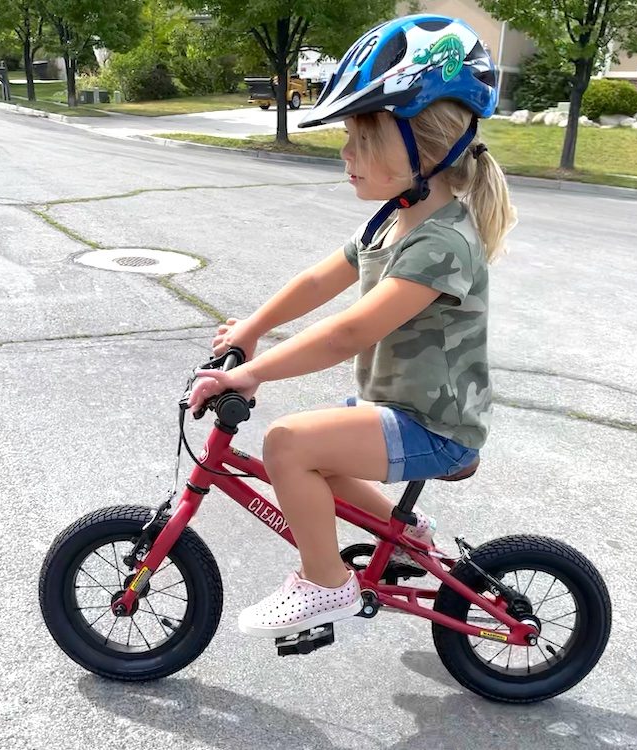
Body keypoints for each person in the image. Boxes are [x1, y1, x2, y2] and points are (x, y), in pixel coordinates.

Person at [187, 14, 517, 639]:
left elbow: (349, 333)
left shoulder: (442, 243)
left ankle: (325, 586)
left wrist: (252, 374)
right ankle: (405, 532)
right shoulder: (393, 220)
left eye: (361, 139)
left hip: (435, 424)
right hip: (400, 405)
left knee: (288, 444)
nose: (345, 154)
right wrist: (250, 329)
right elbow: (318, 280)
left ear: (424, 146)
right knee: (320, 460)